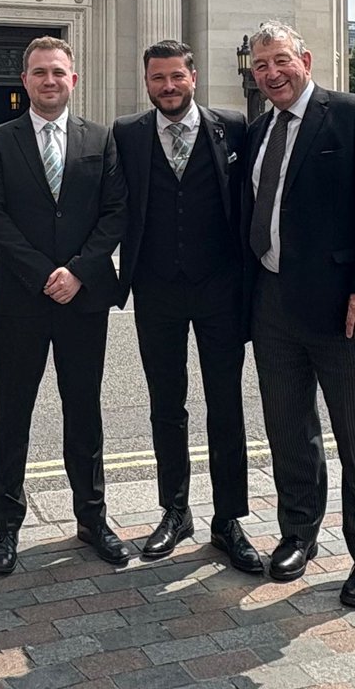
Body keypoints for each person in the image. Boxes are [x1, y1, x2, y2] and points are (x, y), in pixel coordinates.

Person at [239, 20, 355, 608]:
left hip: (342, 306)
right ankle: (298, 535)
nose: (272, 74)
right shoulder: (259, 131)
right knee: (288, 429)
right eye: (261, 66)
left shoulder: (352, 114)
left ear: (305, 60)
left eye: (281, 61)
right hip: (272, 302)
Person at [0, 37, 128, 574]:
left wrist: (79, 271)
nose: (49, 81)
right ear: (25, 81)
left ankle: (92, 518)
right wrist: (44, 274)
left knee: (84, 410)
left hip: (84, 299)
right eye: (39, 72)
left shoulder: (101, 139)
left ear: (73, 79)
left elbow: (116, 212)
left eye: (58, 72)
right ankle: (6, 525)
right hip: (19, 299)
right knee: (12, 413)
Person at [112, 41, 260, 573]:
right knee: (166, 405)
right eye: (158, 78)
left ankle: (228, 520)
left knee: (226, 404)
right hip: (156, 290)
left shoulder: (233, 126)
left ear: (193, 77)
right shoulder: (127, 133)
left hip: (221, 288)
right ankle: (175, 511)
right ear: (146, 83)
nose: (168, 87)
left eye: (176, 76)